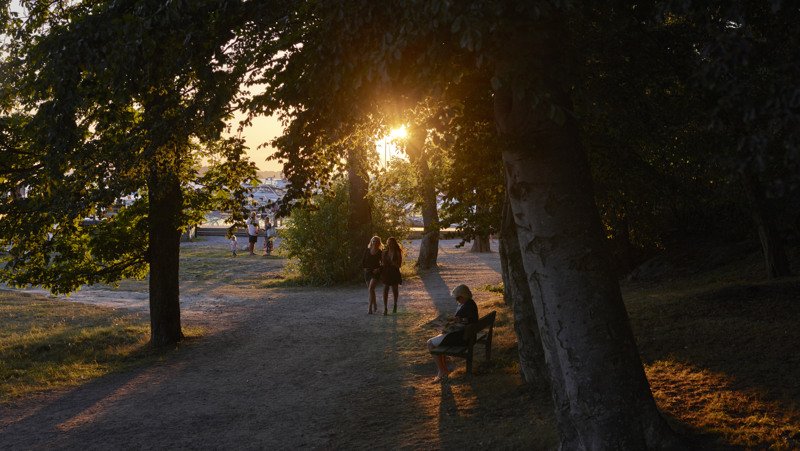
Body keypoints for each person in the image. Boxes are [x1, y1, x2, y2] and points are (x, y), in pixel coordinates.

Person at [426, 284, 479, 382]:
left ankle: (442, 370)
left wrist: (445, 327)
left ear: (463, 296)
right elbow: (466, 320)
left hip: (461, 338)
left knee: (430, 343)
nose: (457, 300)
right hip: (468, 336)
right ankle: (444, 369)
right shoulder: (470, 303)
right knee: (438, 339)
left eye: (458, 298)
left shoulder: (465, 307)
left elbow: (460, 324)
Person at [381, 237, 403, 315]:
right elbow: (382, 263)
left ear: (394, 243)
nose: (390, 244)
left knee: (395, 290)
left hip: (394, 272)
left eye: (391, 242)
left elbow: (399, 265)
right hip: (386, 272)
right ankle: (385, 308)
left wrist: (394, 263)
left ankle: (395, 304)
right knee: (385, 290)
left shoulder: (397, 252)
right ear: (387, 243)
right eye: (388, 242)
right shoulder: (384, 252)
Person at [362, 236, 383, 314]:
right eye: (373, 241)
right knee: (371, 290)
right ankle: (375, 304)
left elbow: (383, 263)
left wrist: (378, 269)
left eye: (376, 241)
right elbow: (363, 261)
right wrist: (364, 268)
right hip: (367, 272)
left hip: (375, 272)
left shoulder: (380, 252)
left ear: (379, 243)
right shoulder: (367, 250)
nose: (375, 242)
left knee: (371, 288)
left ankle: (370, 308)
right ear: (371, 242)